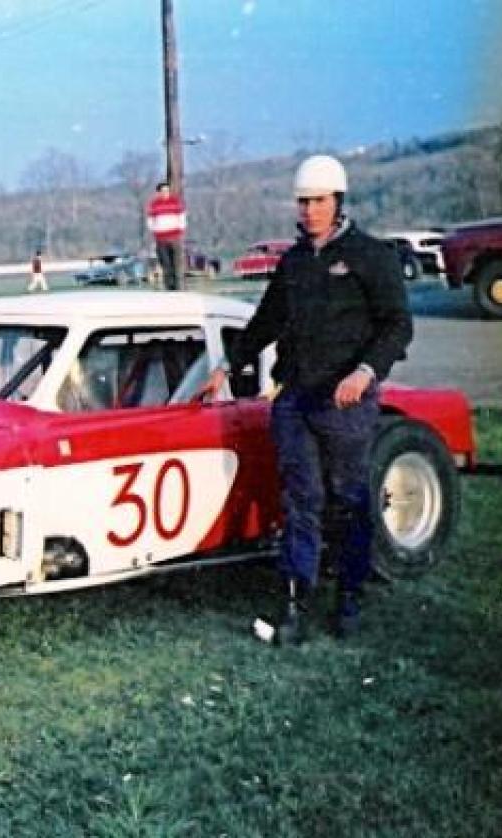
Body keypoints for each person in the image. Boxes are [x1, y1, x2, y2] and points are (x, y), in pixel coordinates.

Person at [198, 154, 413, 645]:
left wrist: (365, 371)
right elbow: (266, 321)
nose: (310, 211)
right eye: (303, 202)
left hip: (345, 402)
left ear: (338, 201)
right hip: (296, 399)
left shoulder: (369, 255)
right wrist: (228, 365)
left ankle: (349, 597)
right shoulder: (294, 262)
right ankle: (296, 604)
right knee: (300, 500)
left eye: (318, 201)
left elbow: (398, 325)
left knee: (347, 499)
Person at [146, 181, 186, 291]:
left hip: (174, 237)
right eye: (163, 191)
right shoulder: (154, 204)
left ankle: (178, 286)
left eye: (167, 190)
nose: (165, 193)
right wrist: (155, 230)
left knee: (176, 263)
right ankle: (169, 287)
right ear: (158, 192)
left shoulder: (175, 202)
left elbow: (182, 218)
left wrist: (180, 230)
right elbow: (150, 221)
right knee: (165, 263)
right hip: (161, 238)